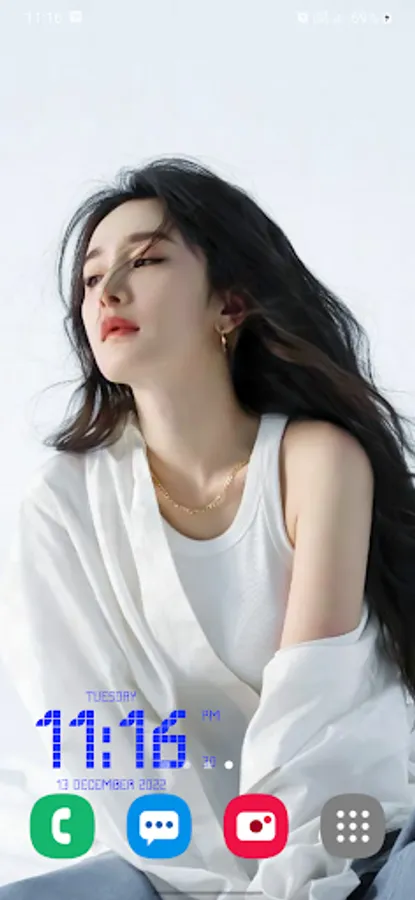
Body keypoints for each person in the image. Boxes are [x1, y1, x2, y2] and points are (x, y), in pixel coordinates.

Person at [1, 155, 415, 900]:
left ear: (230, 305)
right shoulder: (59, 507)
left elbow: (317, 726)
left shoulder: (315, 463)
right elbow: (98, 750)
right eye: (90, 278)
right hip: (174, 860)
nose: (108, 292)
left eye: (146, 260)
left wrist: (277, 890)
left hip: (349, 846)